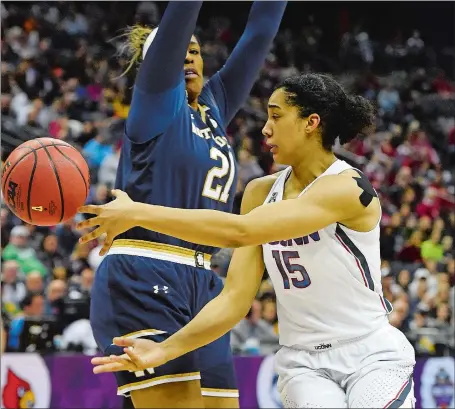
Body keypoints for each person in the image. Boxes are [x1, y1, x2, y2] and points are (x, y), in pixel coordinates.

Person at [80, 73, 417, 408]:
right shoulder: (259, 192)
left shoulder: (347, 187)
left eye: (276, 115)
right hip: (303, 365)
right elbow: (235, 299)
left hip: (370, 353)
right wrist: (165, 349)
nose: (265, 129)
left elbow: (239, 231)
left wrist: (139, 213)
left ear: (311, 123)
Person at [86, 1, 287, 408]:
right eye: (180, 50)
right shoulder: (156, 102)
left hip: (204, 286)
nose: (188, 56)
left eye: (195, 51)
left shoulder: (213, 107)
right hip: (143, 273)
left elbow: (259, 34)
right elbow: (179, 19)